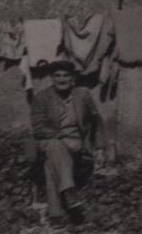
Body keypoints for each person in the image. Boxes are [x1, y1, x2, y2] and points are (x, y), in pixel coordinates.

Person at [28, 59, 102, 225]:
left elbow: (97, 119)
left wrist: (101, 147)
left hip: (76, 143)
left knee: (52, 162)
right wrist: (62, 137)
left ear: (72, 78)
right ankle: (69, 190)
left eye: (66, 75)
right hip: (49, 140)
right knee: (56, 147)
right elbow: (38, 129)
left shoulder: (82, 95)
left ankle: (56, 214)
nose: (62, 79)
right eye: (57, 76)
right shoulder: (42, 98)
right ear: (52, 79)